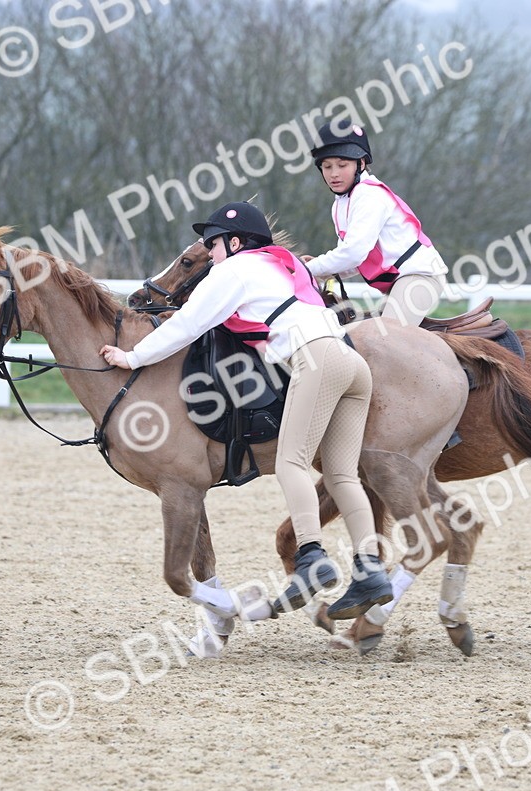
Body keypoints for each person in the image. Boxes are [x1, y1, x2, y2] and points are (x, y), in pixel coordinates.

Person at [99, 201, 391, 620]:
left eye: (213, 245)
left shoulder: (233, 270)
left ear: (235, 243)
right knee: (342, 475)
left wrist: (133, 358)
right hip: (350, 363)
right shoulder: (284, 265)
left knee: (292, 461)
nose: (211, 254)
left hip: (316, 360)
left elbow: (186, 326)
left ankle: (310, 558)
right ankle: (371, 572)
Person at [303, 120, 448, 327]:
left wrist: (310, 269)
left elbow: (352, 254)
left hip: (419, 278)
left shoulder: (370, 196)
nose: (333, 173)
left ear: (361, 164)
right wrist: (320, 269)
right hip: (400, 283)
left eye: (342, 165)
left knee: (387, 340)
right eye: (326, 166)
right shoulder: (341, 204)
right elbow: (353, 260)